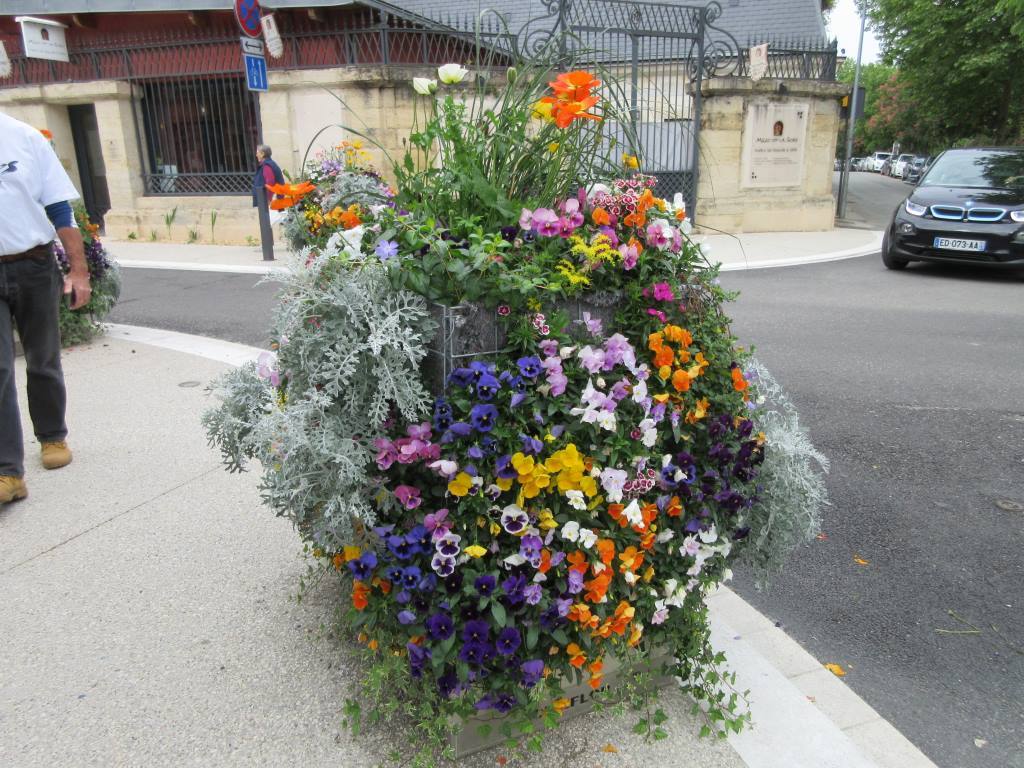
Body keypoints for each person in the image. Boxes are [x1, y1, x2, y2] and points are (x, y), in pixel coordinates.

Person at [0, 111, 91, 506]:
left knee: (42, 358)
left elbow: (59, 209)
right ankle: (8, 472)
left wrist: (79, 271)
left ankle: (52, 435)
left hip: (34, 265)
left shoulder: (24, 138)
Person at [252, 144, 284, 208]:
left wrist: (268, 199)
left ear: (262, 154)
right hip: (270, 199)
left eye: (257, 153)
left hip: (270, 201)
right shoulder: (269, 164)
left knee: (270, 217)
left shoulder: (267, 166)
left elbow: (270, 183)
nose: (256, 155)